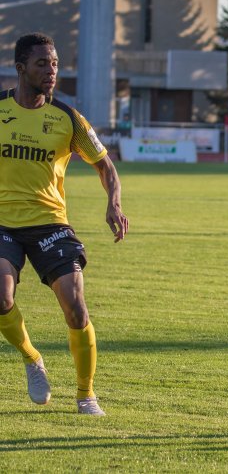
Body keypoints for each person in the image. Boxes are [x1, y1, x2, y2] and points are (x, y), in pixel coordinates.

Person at [0, 33, 128, 416]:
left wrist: (113, 203)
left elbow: (105, 166)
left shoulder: (68, 118)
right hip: (3, 222)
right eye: (42, 64)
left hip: (50, 223)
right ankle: (31, 358)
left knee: (75, 306)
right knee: (0, 297)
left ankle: (86, 395)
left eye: (54, 63)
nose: (51, 71)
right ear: (21, 68)